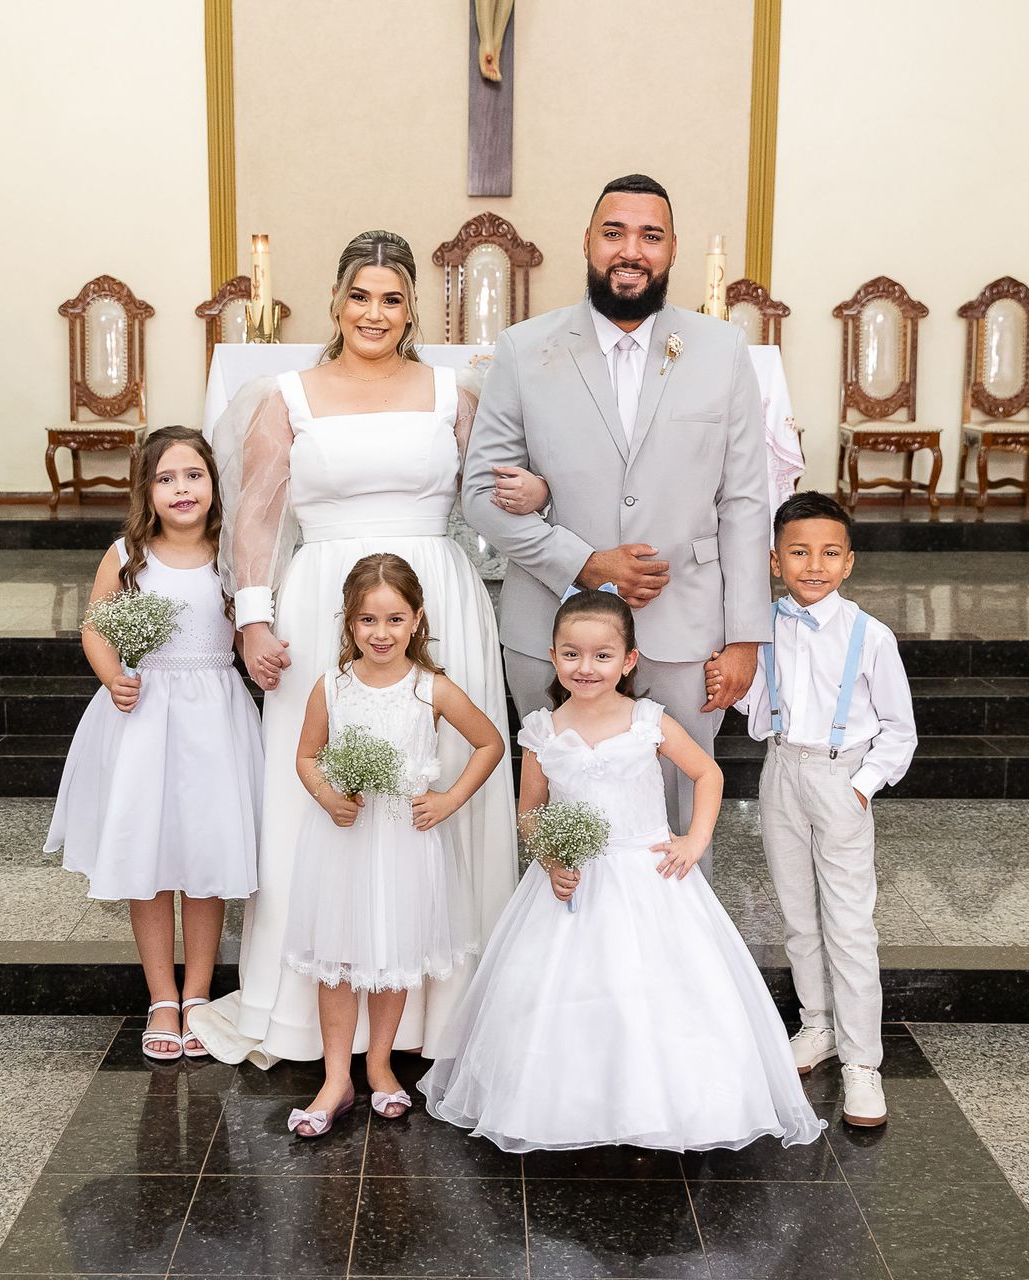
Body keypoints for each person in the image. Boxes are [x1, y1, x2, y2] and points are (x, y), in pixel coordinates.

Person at [189, 230, 521, 1067]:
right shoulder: (286, 395)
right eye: (361, 296)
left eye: (393, 298)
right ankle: (313, 1008)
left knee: (436, 786)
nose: (375, 312)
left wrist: (539, 489)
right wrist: (254, 618)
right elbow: (259, 516)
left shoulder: (455, 392)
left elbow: (491, 494)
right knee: (319, 796)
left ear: (412, 310)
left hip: (434, 598)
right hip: (320, 604)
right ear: (336, 302)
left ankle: (443, 1009)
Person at [419, 590, 823, 1153]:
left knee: (657, 992)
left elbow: (708, 775)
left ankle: (664, 1105)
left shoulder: (647, 720)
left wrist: (694, 839)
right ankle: (573, 1104)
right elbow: (530, 813)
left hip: (650, 876)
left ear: (629, 660)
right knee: (568, 994)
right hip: (572, 883)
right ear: (555, 657)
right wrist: (552, 858)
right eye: (573, 655)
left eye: (602, 656)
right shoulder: (541, 730)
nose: (587, 668)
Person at [462, 173, 770, 847]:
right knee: (566, 827)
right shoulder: (524, 348)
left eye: (650, 235)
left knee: (682, 819)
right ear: (588, 243)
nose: (632, 250)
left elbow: (745, 499)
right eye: (615, 232)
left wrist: (747, 637)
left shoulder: (722, 352)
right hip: (553, 629)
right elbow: (481, 497)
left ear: (671, 250)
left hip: (687, 628)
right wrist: (588, 563)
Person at [45, 426, 261, 1061]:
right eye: (165, 478)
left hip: (214, 718)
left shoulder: (234, 555)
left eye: (193, 475)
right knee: (149, 857)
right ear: (146, 491)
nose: (181, 489)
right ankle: (160, 995)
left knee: (205, 856)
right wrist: (114, 677)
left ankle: (198, 993)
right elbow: (95, 628)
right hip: (143, 718)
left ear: (215, 483)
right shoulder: (127, 554)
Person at [281, 554, 503, 1137]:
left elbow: (489, 743)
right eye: (368, 621)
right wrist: (329, 795)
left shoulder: (431, 689)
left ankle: (379, 1065)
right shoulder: (331, 687)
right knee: (337, 960)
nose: (382, 634)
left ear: (418, 620)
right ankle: (336, 1078)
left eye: (395, 619)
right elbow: (306, 755)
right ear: (348, 623)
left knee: (394, 953)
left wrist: (449, 799)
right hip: (344, 842)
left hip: (405, 841)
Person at [737, 492, 917, 1128]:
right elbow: (756, 703)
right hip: (782, 769)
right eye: (799, 551)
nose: (814, 564)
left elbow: (901, 729)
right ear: (774, 560)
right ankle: (816, 1027)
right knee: (796, 912)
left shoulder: (872, 637)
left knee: (848, 922)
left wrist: (864, 785)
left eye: (829, 552)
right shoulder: (760, 629)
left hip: (843, 778)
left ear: (850, 563)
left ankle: (863, 1062)